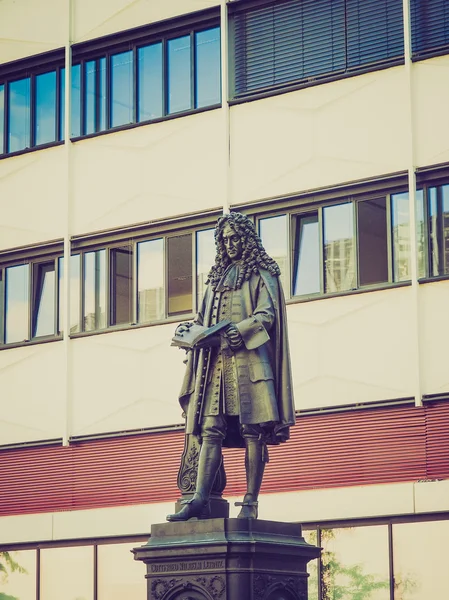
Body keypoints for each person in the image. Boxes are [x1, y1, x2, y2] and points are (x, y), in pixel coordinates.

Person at [167, 212, 295, 521]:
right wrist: (191, 334)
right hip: (215, 367)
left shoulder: (262, 273)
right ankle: (199, 498)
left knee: (253, 431)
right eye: (225, 240)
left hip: (250, 364)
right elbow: (201, 320)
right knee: (211, 429)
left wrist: (242, 329)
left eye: (235, 238)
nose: (230, 244)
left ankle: (250, 501)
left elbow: (267, 314)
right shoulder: (214, 279)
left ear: (247, 239)